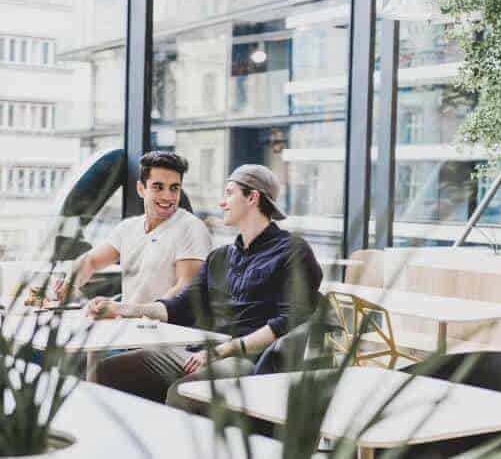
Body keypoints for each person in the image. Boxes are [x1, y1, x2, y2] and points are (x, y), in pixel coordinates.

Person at [88, 164, 325, 414]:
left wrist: (224, 350)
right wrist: (122, 308)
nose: (222, 203)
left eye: (230, 193)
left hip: (248, 360)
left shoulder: (293, 251)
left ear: (252, 197)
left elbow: (289, 321)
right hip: (200, 352)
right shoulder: (219, 257)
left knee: (184, 392)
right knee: (108, 371)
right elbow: (180, 307)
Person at [29, 151, 211, 308]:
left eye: (174, 188)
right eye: (158, 187)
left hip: (166, 333)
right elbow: (91, 261)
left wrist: (126, 311)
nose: (168, 196)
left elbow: (184, 290)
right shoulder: (128, 228)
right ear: (141, 189)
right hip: (129, 327)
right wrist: (68, 285)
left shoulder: (191, 228)